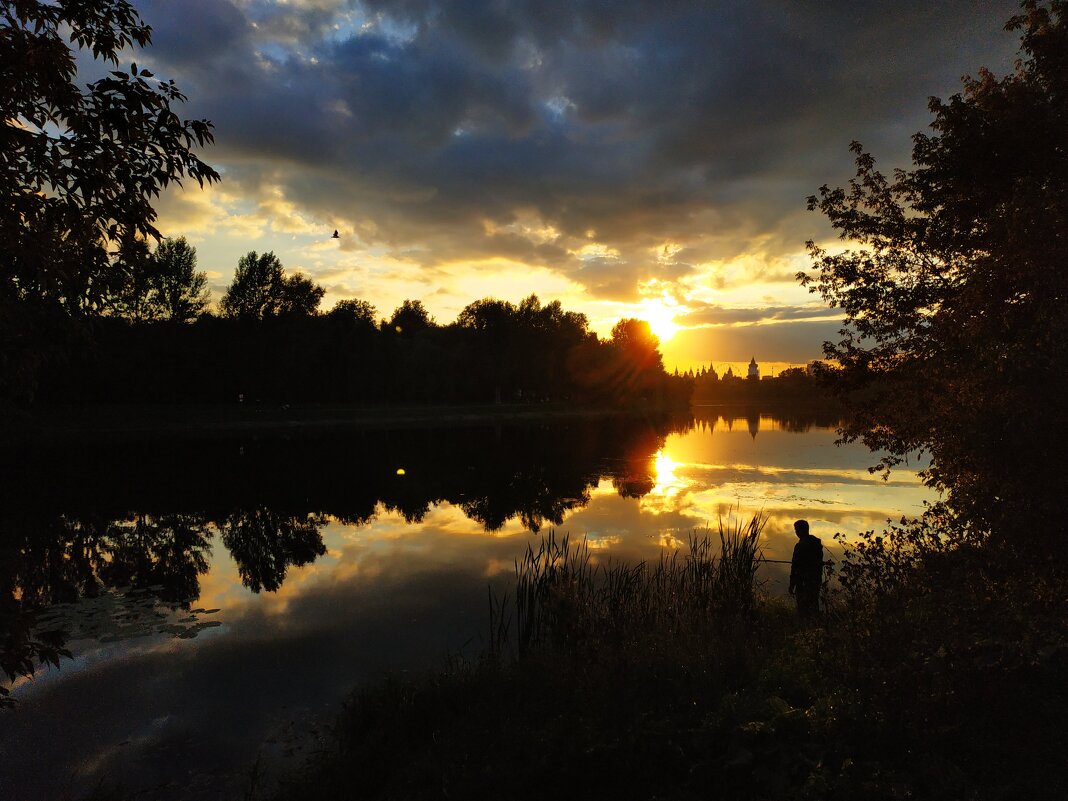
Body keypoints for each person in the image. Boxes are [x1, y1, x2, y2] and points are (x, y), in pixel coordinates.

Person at [789, 519, 823, 618]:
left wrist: (792, 584)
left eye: (796, 530)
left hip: (803, 581)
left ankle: (805, 627)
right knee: (813, 604)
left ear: (801, 530)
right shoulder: (817, 544)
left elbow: (795, 566)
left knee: (803, 607)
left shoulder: (799, 546)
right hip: (816, 580)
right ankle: (815, 625)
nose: (796, 532)